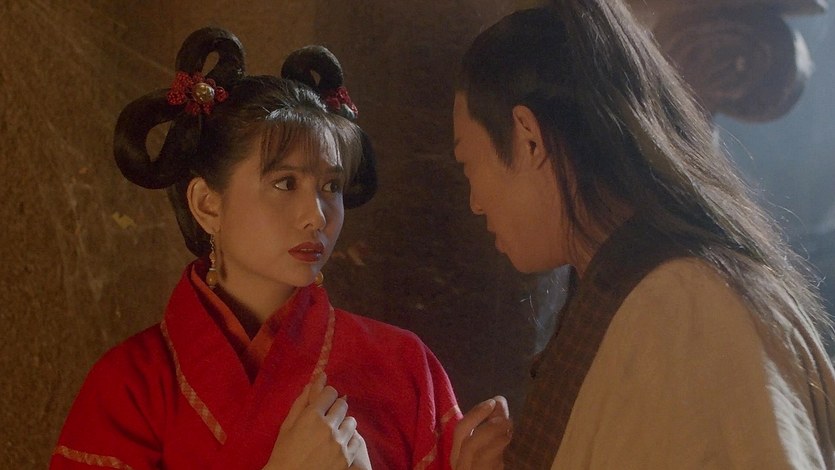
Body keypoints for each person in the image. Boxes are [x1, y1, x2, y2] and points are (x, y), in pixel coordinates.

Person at [52, 27, 460, 470]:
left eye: (331, 186)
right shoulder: (130, 385)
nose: (316, 216)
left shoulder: (403, 366)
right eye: (285, 183)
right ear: (207, 204)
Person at [450, 3, 835, 469]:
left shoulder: (688, 309)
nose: (475, 202)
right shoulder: (651, 294)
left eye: (469, 164)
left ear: (529, 138)